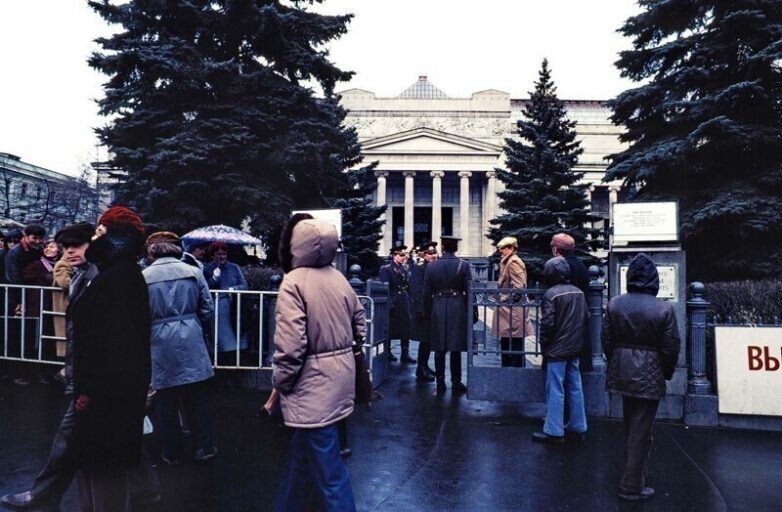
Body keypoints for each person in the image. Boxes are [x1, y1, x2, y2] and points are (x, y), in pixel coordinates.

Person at [272, 215, 364, 512]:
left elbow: (290, 344)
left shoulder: (294, 282)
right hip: (338, 381)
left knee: (330, 475)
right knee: (301, 460)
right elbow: (359, 326)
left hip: (310, 386)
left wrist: (281, 382)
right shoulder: (339, 277)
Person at [69, 206, 152, 512]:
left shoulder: (120, 278)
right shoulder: (114, 274)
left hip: (107, 396)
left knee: (104, 466)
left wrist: (89, 391)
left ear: (117, 239)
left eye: (100, 232)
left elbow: (115, 344)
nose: (94, 238)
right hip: (106, 392)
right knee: (95, 462)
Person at [602, 253, 680, 501]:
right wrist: (665, 372)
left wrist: (616, 360)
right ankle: (632, 485)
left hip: (622, 370)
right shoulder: (664, 309)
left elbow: (606, 339)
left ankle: (632, 473)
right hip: (650, 371)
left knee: (631, 424)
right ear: (654, 280)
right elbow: (670, 347)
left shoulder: (615, 303)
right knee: (641, 430)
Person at [142, 231, 217, 465]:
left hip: (158, 339)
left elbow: (139, 314)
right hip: (191, 335)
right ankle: (203, 448)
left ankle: (171, 452)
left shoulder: (144, 276)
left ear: (152, 252)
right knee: (198, 397)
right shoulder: (194, 272)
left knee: (166, 399)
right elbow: (207, 309)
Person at [531, 256, 588, 444]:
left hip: (556, 348)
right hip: (575, 346)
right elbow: (585, 317)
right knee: (575, 386)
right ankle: (578, 427)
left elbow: (547, 324)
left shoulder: (551, 294)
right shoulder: (579, 292)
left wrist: (544, 344)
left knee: (555, 387)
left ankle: (554, 430)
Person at [423, 235, 471, 394]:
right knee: (455, 347)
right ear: (455, 248)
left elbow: (426, 292)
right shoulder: (463, 265)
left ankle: (440, 380)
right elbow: (470, 291)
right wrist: (473, 312)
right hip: (457, 307)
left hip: (437, 306)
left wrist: (427, 312)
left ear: (442, 247)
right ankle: (456, 382)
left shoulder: (431, 266)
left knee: (439, 347)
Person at [551, 233, 592, 373]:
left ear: (557, 249)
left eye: (553, 247)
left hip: (562, 323)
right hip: (580, 320)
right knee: (575, 370)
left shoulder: (559, 266)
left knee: (557, 374)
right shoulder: (581, 265)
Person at [491, 236, 534, 367]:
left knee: (515, 343)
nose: (500, 251)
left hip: (513, 309)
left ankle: (515, 372)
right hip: (509, 309)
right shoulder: (507, 260)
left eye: (503, 248)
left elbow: (519, 287)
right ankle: (508, 370)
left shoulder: (513, 262)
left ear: (511, 248)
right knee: (506, 341)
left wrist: (504, 299)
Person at [203, 241, 248, 362]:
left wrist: (233, 289)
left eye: (224, 254)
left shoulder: (234, 268)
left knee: (237, 334)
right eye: (218, 254)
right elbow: (205, 288)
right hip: (218, 306)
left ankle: (236, 361)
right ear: (213, 255)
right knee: (221, 338)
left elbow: (244, 285)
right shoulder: (207, 269)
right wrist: (214, 278)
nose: (222, 257)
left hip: (234, 305)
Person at [378, 244, 415, 363]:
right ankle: (387, 352)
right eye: (401, 255)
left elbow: (408, 286)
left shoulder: (405, 268)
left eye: (405, 255)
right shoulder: (387, 269)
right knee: (390, 327)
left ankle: (405, 354)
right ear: (394, 255)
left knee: (406, 328)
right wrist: (389, 302)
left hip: (404, 300)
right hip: (393, 300)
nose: (404, 257)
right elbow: (385, 287)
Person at [409, 241, 438, 382]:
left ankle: (425, 366)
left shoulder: (435, 268)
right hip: (424, 310)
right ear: (424, 255)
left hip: (433, 309)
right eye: (430, 253)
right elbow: (416, 291)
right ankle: (420, 369)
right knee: (424, 340)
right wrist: (420, 310)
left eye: (434, 253)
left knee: (429, 340)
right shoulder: (419, 268)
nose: (433, 255)